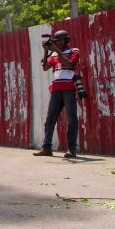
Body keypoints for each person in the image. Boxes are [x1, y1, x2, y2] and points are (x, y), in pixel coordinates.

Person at [34, 30, 81, 158]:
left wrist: (57, 51)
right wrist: (46, 51)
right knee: (50, 120)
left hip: (68, 88)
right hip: (56, 89)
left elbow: (70, 64)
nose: (58, 43)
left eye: (60, 40)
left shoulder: (74, 51)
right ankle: (46, 148)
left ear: (66, 40)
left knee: (72, 119)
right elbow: (45, 67)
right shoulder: (53, 54)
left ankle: (72, 149)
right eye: (56, 41)